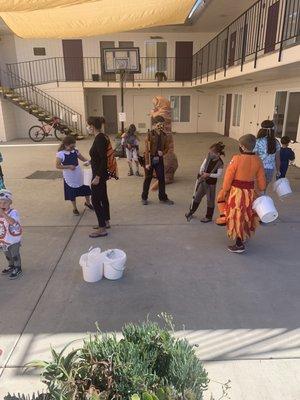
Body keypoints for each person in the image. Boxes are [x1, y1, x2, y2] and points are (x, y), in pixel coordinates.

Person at [220, 134, 266, 253]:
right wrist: (261, 188)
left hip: (237, 193)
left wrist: (225, 190)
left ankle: (239, 244)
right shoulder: (258, 160)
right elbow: (261, 179)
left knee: (237, 216)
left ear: (243, 147)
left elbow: (228, 176)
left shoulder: (236, 159)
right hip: (249, 193)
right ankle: (243, 235)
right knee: (246, 214)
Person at [185, 142, 225, 223]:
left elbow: (218, 175)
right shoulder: (209, 156)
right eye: (210, 152)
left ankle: (208, 217)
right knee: (197, 197)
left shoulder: (220, 163)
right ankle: (191, 211)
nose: (210, 153)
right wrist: (201, 171)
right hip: (203, 181)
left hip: (211, 184)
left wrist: (208, 174)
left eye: (212, 152)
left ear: (217, 154)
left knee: (210, 200)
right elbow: (203, 165)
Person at [56, 136, 93, 216]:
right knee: (72, 191)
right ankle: (74, 208)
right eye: (71, 146)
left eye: (74, 146)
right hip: (69, 175)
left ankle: (88, 203)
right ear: (65, 145)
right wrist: (68, 166)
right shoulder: (60, 154)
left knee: (86, 188)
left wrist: (88, 161)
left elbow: (81, 158)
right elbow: (58, 166)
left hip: (78, 173)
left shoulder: (75, 151)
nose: (72, 148)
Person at [141, 116, 174, 206]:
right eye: (160, 124)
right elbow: (146, 149)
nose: (161, 126)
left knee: (161, 178)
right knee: (148, 178)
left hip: (159, 160)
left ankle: (163, 197)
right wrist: (147, 163)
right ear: (154, 125)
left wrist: (162, 153)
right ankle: (144, 197)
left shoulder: (164, 135)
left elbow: (166, 148)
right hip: (150, 159)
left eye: (162, 124)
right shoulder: (149, 134)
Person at [88, 116, 111, 238]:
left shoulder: (100, 139)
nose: (88, 128)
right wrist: (91, 161)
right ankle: (105, 221)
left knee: (95, 200)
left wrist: (97, 176)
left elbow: (104, 159)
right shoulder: (99, 137)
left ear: (92, 126)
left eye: (88, 126)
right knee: (103, 198)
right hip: (99, 173)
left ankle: (102, 228)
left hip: (99, 175)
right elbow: (98, 157)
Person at [150, 96, 178, 188]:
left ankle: (166, 176)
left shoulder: (164, 112)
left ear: (160, 103)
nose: (155, 105)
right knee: (161, 155)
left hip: (164, 138)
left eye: (155, 103)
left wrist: (152, 112)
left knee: (165, 155)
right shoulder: (166, 110)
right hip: (163, 137)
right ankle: (158, 173)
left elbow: (156, 118)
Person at [0, 189, 23, 279]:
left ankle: (18, 267)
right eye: (0, 202)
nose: (2, 205)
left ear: (10, 202)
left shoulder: (13, 212)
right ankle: (11, 265)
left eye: (5, 203)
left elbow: (12, 222)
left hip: (13, 239)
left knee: (15, 254)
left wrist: (3, 214)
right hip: (3, 239)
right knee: (7, 254)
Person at [254, 120, 281, 187]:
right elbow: (277, 159)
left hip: (259, 168)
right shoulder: (276, 142)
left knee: (257, 189)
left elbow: (255, 157)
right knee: (264, 189)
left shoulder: (257, 141)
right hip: (270, 169)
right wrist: (278, 171)